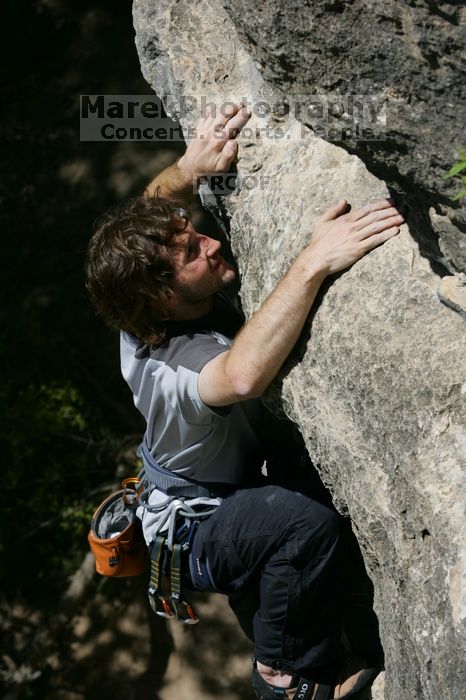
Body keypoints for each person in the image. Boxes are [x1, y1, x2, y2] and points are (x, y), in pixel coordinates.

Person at [85, 102, 405, 699]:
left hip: (217, 498)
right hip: (195, 535)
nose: (208, 241)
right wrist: (313, 260)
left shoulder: (137, 310)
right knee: (301, 523)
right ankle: (285, 679)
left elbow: (155, 203)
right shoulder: (174, 374)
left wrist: (189, 166)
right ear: (161, 298)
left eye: (195, 234)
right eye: (190, 254)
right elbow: (240, 378)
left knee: (292, 499)